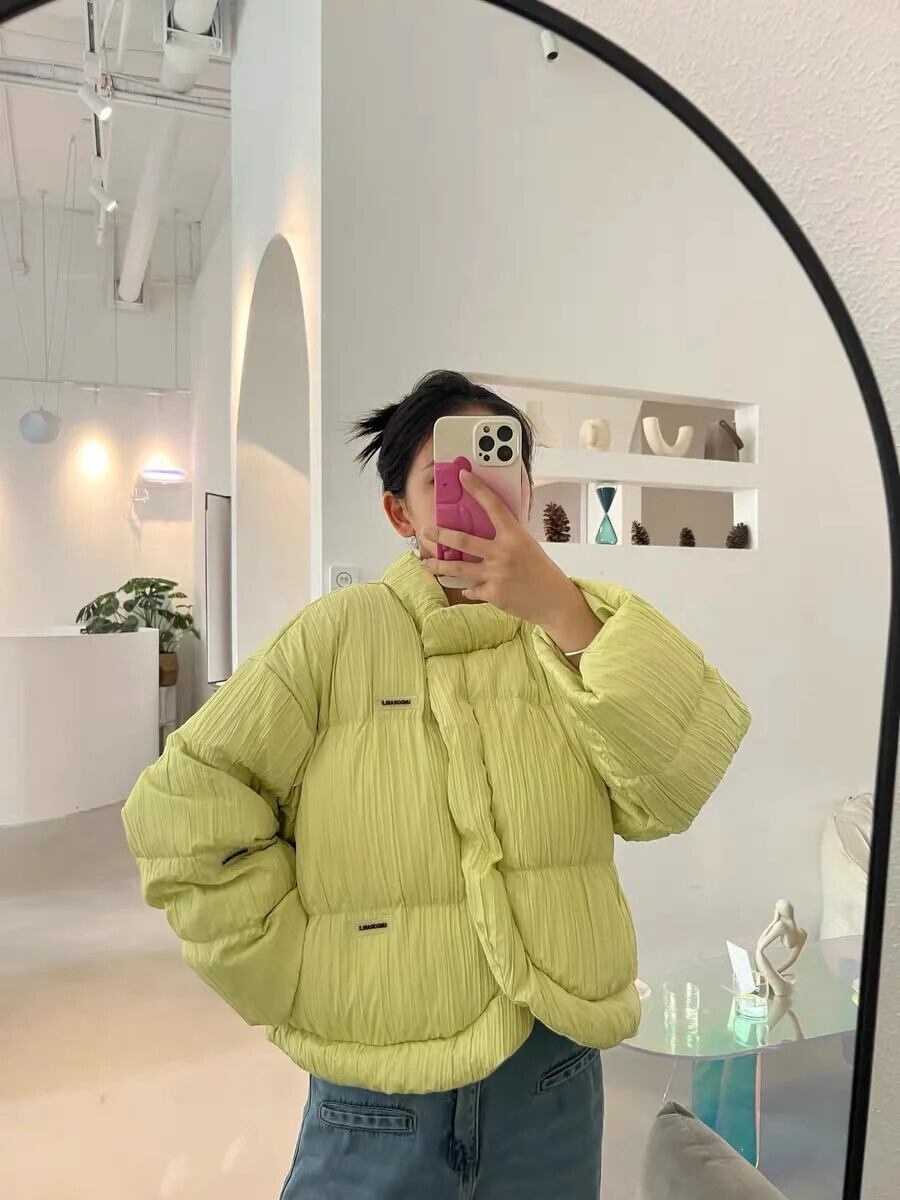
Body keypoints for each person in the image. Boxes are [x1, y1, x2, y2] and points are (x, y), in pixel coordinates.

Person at [122, 370, 750, 1199]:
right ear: (400, 513)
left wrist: (565, 613)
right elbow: (181, 804)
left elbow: (673, 788)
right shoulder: (339, 634)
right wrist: (288, 968)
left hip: (552, 1073)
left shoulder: (574, 633)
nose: (483, 496)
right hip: (378, 1093)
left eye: (503, 470)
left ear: (530, 492)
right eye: (449, 479)